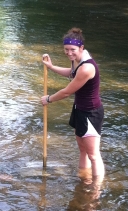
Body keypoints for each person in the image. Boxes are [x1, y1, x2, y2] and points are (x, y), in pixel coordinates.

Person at [41, 27, 105, 185]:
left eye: (72, 50)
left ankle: (96, 192)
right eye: (66, 49)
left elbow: (66, 92)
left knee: (94, 155)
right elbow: (71, 73)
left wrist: (48, 99)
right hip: (79, 110)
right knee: (82, 150)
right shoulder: (79, 60)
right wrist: (51, 67)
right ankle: (84, 182)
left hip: (91, 113)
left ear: (81, 48)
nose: (69, 53)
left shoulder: (87, 67)